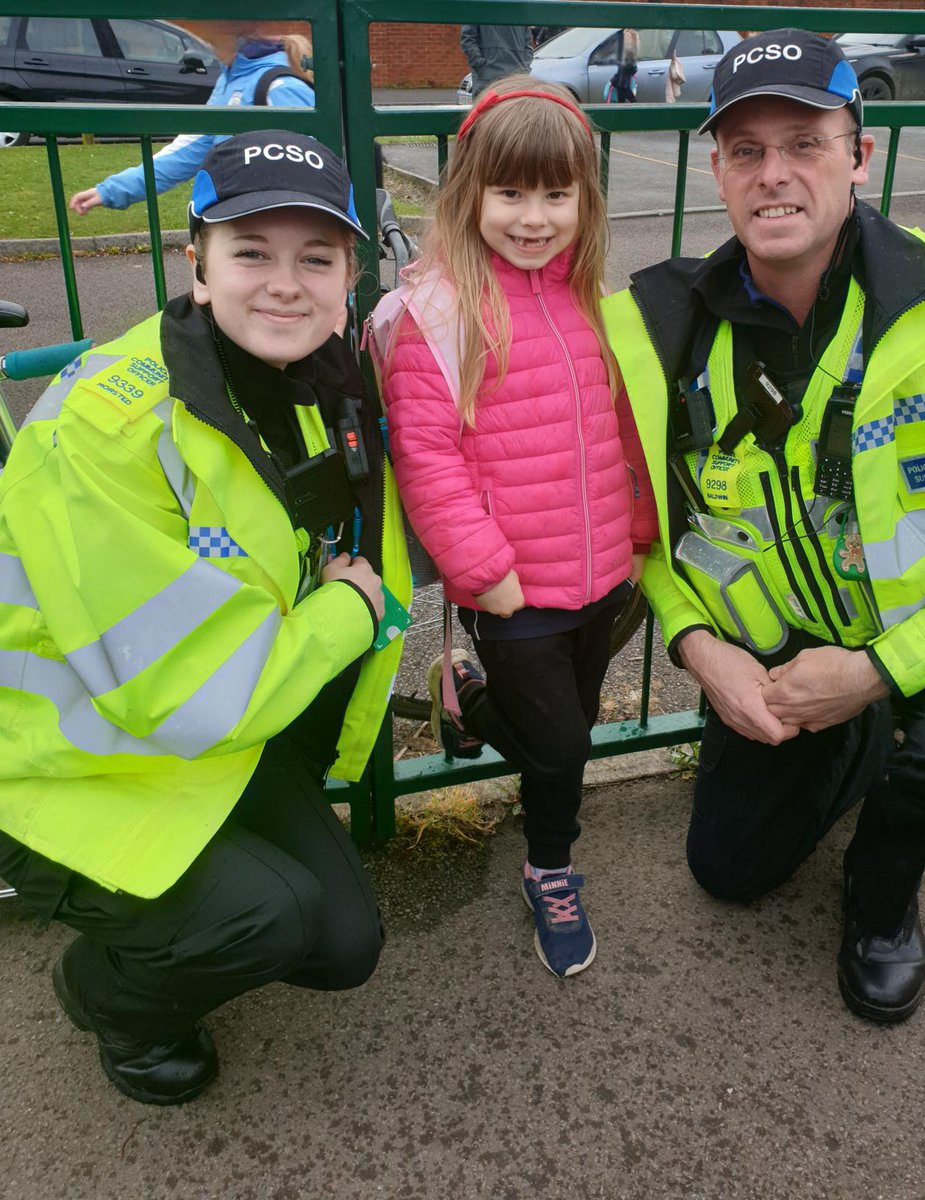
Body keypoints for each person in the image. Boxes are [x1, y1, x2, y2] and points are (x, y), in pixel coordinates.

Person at [602, 30, 925, 1022]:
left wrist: (878, 669)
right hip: (774, 641)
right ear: (716, 169)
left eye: (803, 143)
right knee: (727, 870)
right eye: (745, 151)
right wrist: (701, 650)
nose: (772, 174)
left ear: (858, 155)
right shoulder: (654, 330)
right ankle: (848, 739)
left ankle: (881, 892)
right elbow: (639, 533)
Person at [0, 130, 412, 1104]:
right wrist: (352, 616)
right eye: (250, 252)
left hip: (198, 738)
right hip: (62, 769)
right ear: (195, 262)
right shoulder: (107, 430)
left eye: (315, 257)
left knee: (343, 945)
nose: (285, 282)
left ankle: (187, 924)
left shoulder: (309, 378)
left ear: (350, 271)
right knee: (269, 919)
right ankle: (114, 998)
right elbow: (192, 686)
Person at [371, 77, 657, 979]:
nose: (534, 218)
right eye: (511, 193)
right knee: (565, 742)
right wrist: (481, 568)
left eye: (556, 194)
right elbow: (427, 459)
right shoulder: (441, 311)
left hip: (603, 566)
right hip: (511, 582)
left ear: (585, 200)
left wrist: (640, 526)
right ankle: (550, 866)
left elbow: (622, 423)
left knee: (565, 724)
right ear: (469, 193)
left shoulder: (589, 293)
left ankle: (464, 703)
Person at [68, 26, 315, 217]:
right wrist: (110, 190)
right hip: (238, 223)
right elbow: (185, 151)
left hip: (276, 228)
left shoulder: (280, 87)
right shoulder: (229, 81)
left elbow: (312, 175)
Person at [459, 24, 533, 98]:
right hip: (509, 78)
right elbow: (528, 45)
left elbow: (468, 39)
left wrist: (480, 65)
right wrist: (524, 68)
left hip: (492, 78)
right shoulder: (520, 13)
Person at [609, 29, 640, 103]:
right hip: (623, 84)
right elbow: (627, 69)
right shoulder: (626, 51)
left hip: (622, 84)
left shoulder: (627, 51)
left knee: (623, 102)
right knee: (631, 103)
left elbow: (626, 68)